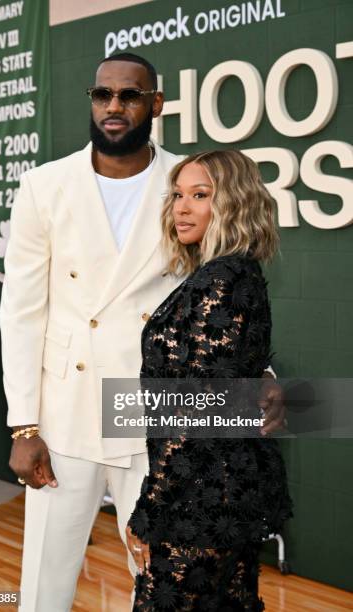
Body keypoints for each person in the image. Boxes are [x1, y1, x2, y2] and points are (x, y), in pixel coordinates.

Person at [0, 53, 285, 612]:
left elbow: (229, 285)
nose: (113, 107)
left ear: (155, 105)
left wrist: (261, 375)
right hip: (67, 407)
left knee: (159, 573)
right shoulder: (44, 185)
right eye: (103, 94)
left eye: (129, 96)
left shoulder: (190, 180)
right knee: (44, 581)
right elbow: (22, 311)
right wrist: (22, 423)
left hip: (153, 410)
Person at [126, 150, 293, 611]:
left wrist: (150, 510)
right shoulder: (241, 272)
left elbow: (193, 415)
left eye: (200, 195)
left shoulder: (216, 282)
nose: (182, 207)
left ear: (233, 203)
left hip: (197, 497)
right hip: (228, 488)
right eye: (178, 195)